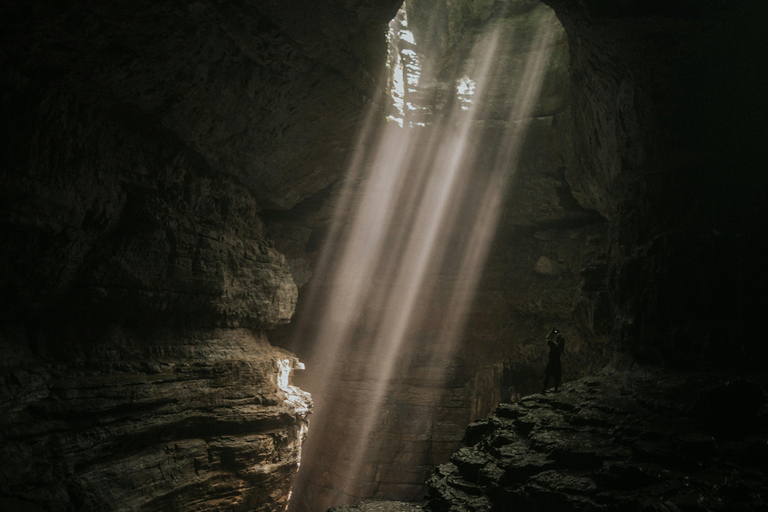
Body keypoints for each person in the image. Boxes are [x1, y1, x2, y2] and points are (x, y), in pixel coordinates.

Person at [541, 328, 565, 393]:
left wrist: (551, 333)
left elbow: (547, 339)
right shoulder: (560, 348)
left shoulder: (553, 345)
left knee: (547, 376)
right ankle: (556, 389)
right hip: (557, 363)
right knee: (557, 376)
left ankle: (543, 389)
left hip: (551, 361)